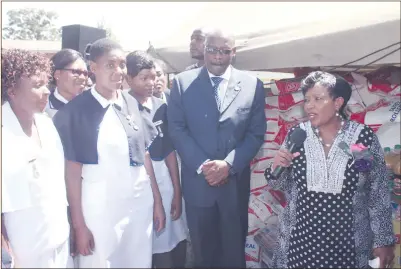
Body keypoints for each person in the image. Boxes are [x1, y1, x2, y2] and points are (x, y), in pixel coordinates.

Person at [264, 71, 396, 269]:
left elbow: (375, 189)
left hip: (348, 248)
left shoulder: (357, 140)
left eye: (318, 99)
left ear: (338, 103)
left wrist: (383, 240)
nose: (309, 105)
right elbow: (278, 184)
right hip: (300, 246)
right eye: (307, 99)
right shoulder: (298, 136)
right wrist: (277, 166)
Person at [53, 38, 166, 268]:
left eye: (122, 64)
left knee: (139, 262)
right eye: (110, 65)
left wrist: (156, 201)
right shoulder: (75, 112)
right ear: (93, 68)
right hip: (101, 212)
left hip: (138, 207)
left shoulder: (132, 103)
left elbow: (144, 156)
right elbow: (72, 174)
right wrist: (79, 225)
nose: (118, 71)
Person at [167, 29, 267, 268]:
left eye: (225, 51)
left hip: (233, 186)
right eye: (213, 50)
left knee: (233, 253)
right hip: (198, 185)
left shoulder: (252, 85)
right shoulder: (182, 83)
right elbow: (177, 130)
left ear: (233, 53)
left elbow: (255, 133)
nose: (218, 56)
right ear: (204, 50)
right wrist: (205, 166)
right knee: (203, 253)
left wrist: (228, 165)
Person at [1, 49, 71, 267]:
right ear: (12, 90)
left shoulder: (47, 125)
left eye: (46, 83)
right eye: (36, 85)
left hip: (58, 238)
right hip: (22, 248)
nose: (47, 91)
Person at [126, 51, 188, 268]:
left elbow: (170, 149)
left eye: (154, 76)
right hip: (143, 183)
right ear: (128, 79)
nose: (152, 83)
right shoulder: (125, 108)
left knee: (176, 239)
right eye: (144, 78)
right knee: (149, 247)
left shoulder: (161, 106)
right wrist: (157, 200)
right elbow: (142, 156)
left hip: (167, 179)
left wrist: (177, 191)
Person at [46, 48, 88, 117]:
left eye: (86, 73)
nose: (83, 78)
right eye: (76, 72)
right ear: (57, 74)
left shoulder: (93, 106)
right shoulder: (43, 107)